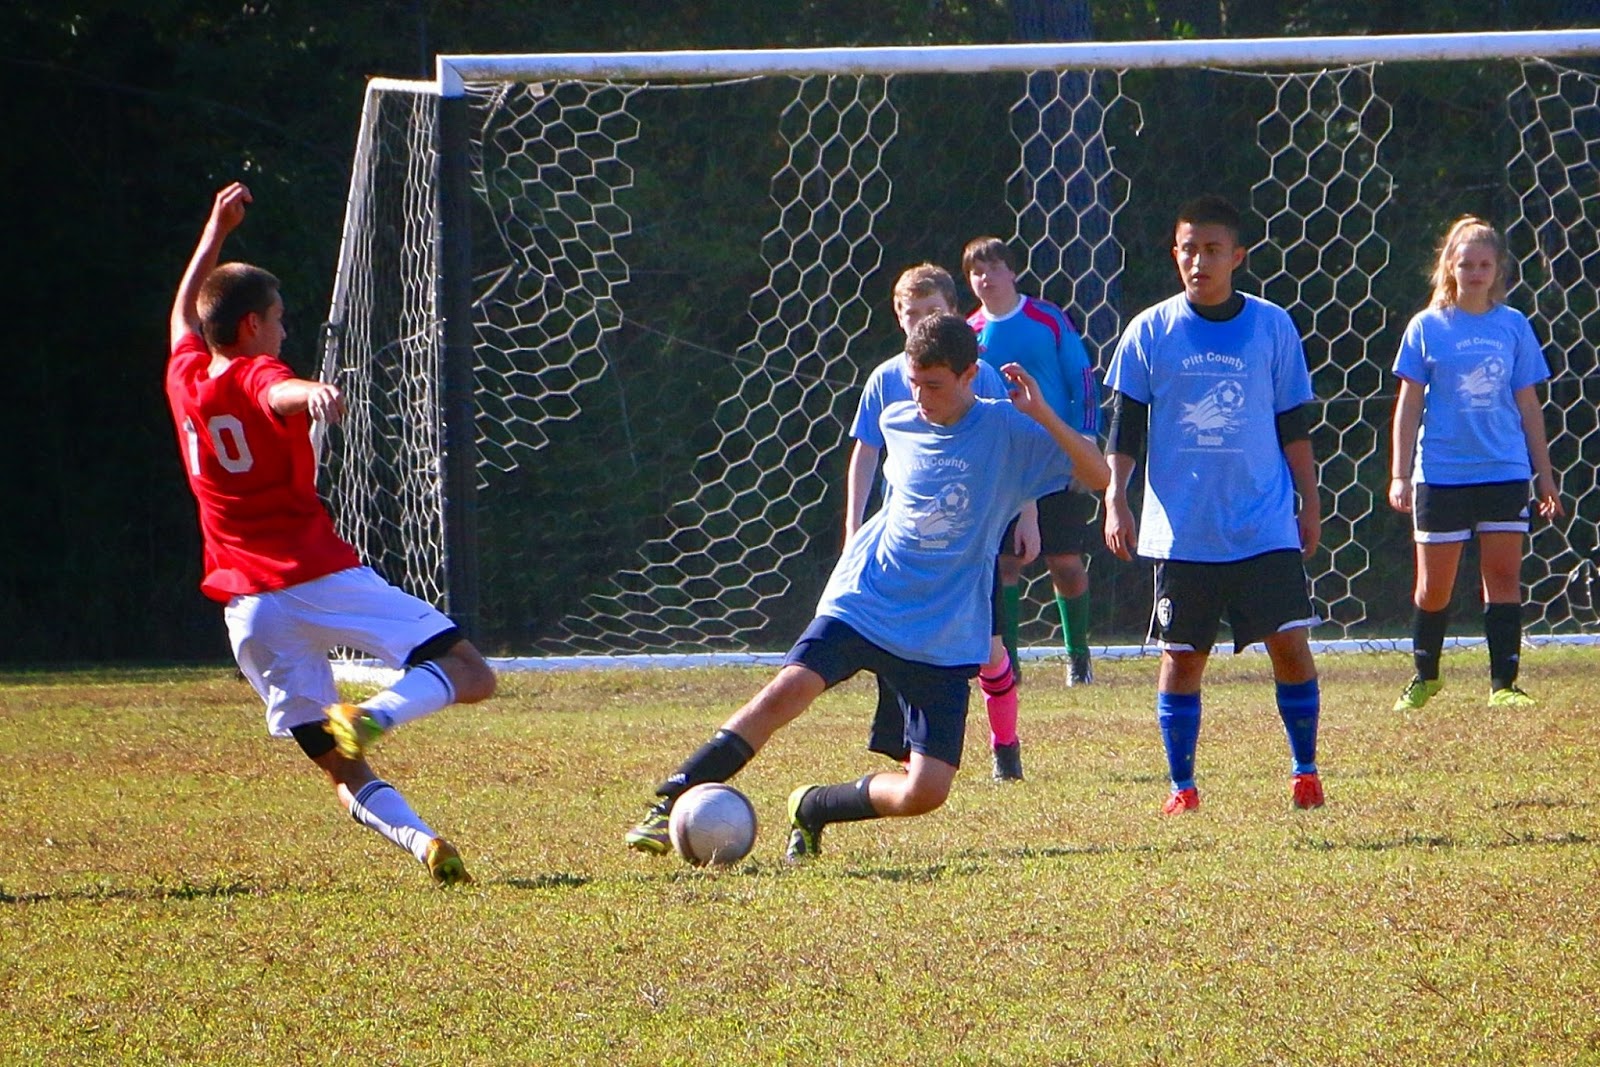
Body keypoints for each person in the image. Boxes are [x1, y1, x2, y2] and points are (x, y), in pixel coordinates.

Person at [625, 313, 1109, 861]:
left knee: (925, 791)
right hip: (867, 596)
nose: (921, 397)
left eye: (935, 385)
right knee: (787, 691)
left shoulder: (1009, 430)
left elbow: (1098, 475)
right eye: (914, 382)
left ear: (970, 375)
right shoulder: (898, 418)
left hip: (943, 625)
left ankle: (814, 806)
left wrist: (1041, 412)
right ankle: (670, 801)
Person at [166, 182, 497, 884]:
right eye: (279, 319)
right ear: (250, 325)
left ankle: (424, 844)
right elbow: (272, 390)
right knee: (472, 673)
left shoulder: (185, 378)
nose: (285, 332)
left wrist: (214, 232)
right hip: (315, 576)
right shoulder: (258, 373)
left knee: (341, 769)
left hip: (250, 612)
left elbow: (182, 311)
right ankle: (375, 713)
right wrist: (309, 392)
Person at [1101, 194, 1325, 815]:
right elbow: (1126, 428)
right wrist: (1115, 498)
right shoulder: (1150, 331)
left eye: (1212, 250)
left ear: (1237, 256)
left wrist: (1309, 500)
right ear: (1174, 254)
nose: (1199, 262)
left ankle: (1305, 772)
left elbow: (1293, 423)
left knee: (1290, 645)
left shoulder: (1272, 327)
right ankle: (1182, 787)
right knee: (1181, 658)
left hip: (1262, 522)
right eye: (1188, 250)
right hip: (1184, 530)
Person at [848, 264, 1040, 781]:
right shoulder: (885, 380)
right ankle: (912, 756)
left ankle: (1005, 746)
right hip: (905, 544)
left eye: (931, 311)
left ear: (953, 314)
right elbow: (865, 454)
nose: (921, 322)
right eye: (911, 313)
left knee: (989, 650)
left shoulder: (979, 375)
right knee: (897, 643)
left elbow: (1019, 449)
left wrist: (1028, 515)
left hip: (969, 541)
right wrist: (853, 529)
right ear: (898, 317)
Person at [1387, 215, 1563, 711]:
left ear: (1498, 269)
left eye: (1485, 264)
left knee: (1502, 578)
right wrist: (1399, 473)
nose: (1475, 272)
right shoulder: (1427, 327)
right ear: (1450, 266)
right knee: (1433, 587)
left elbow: (1528, 405)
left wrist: (1545, 476)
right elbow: (1408, 405)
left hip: (1503, 469)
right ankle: (1425, 677)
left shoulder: (1513, 326)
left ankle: (1504, 685)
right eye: (1466, 264)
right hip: (1442, 473)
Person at [963, 237, 1101, 687]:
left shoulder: (1047, 318)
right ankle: (1008, 662)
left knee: (1065, 561)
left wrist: (1085, 439)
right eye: (976, 271)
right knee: (1004, 564)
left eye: (994, 267)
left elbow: (1082, 377)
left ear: (1012, 272)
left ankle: (1078, 659)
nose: (986, 277)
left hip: (1055, 461)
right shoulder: (969, 332)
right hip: (1002, 469)